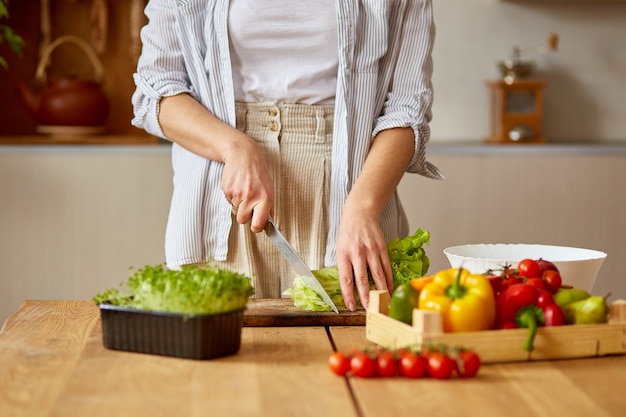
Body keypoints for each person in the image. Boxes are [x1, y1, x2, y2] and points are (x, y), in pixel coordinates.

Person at [131, 0, 443, 312]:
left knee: (354, 347)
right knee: (217, 351)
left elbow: (406, 108)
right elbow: (155, 89)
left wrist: (363, 206)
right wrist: (234, 147)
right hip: (226, 191)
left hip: (350, 193)